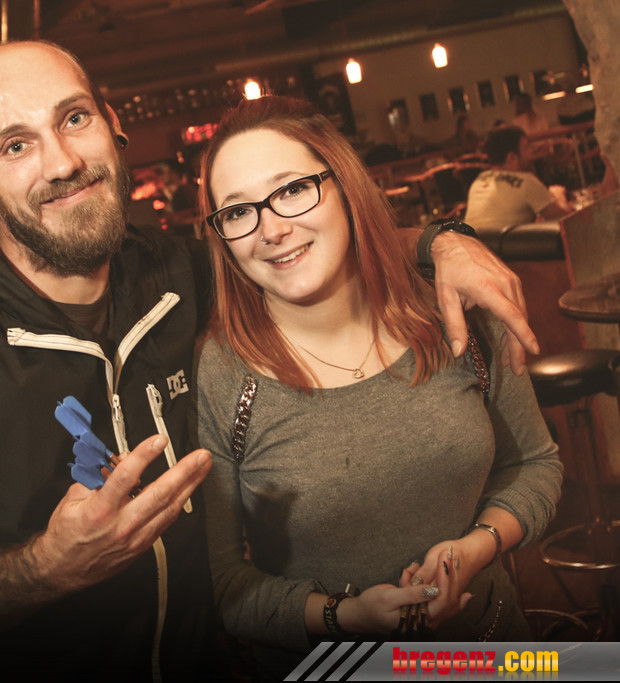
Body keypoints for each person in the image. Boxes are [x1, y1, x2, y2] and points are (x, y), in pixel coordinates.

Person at [0, 40, 538, 680]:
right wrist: (43, 569)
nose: (62, 162)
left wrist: (442, 241)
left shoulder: (175, 272)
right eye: (15, 145)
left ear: (111, 124)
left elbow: (298, 237)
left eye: (73, 119)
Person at [194, 96, 563, 678]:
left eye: (292, 189)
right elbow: (223, 583)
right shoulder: (221, 371)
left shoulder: (452, 307)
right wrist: (342, 617)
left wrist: (475, 548)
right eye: (239, 212)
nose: (272, 229)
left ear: (345, 186)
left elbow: (535, 463)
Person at [463, 125, 573, 230]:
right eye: (526, 148)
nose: (530, 152)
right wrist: (559, 195)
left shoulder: (478, 181)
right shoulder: (527, 182)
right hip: (502, 243)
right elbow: (569, 220)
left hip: (470, 241)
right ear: (511, 158)